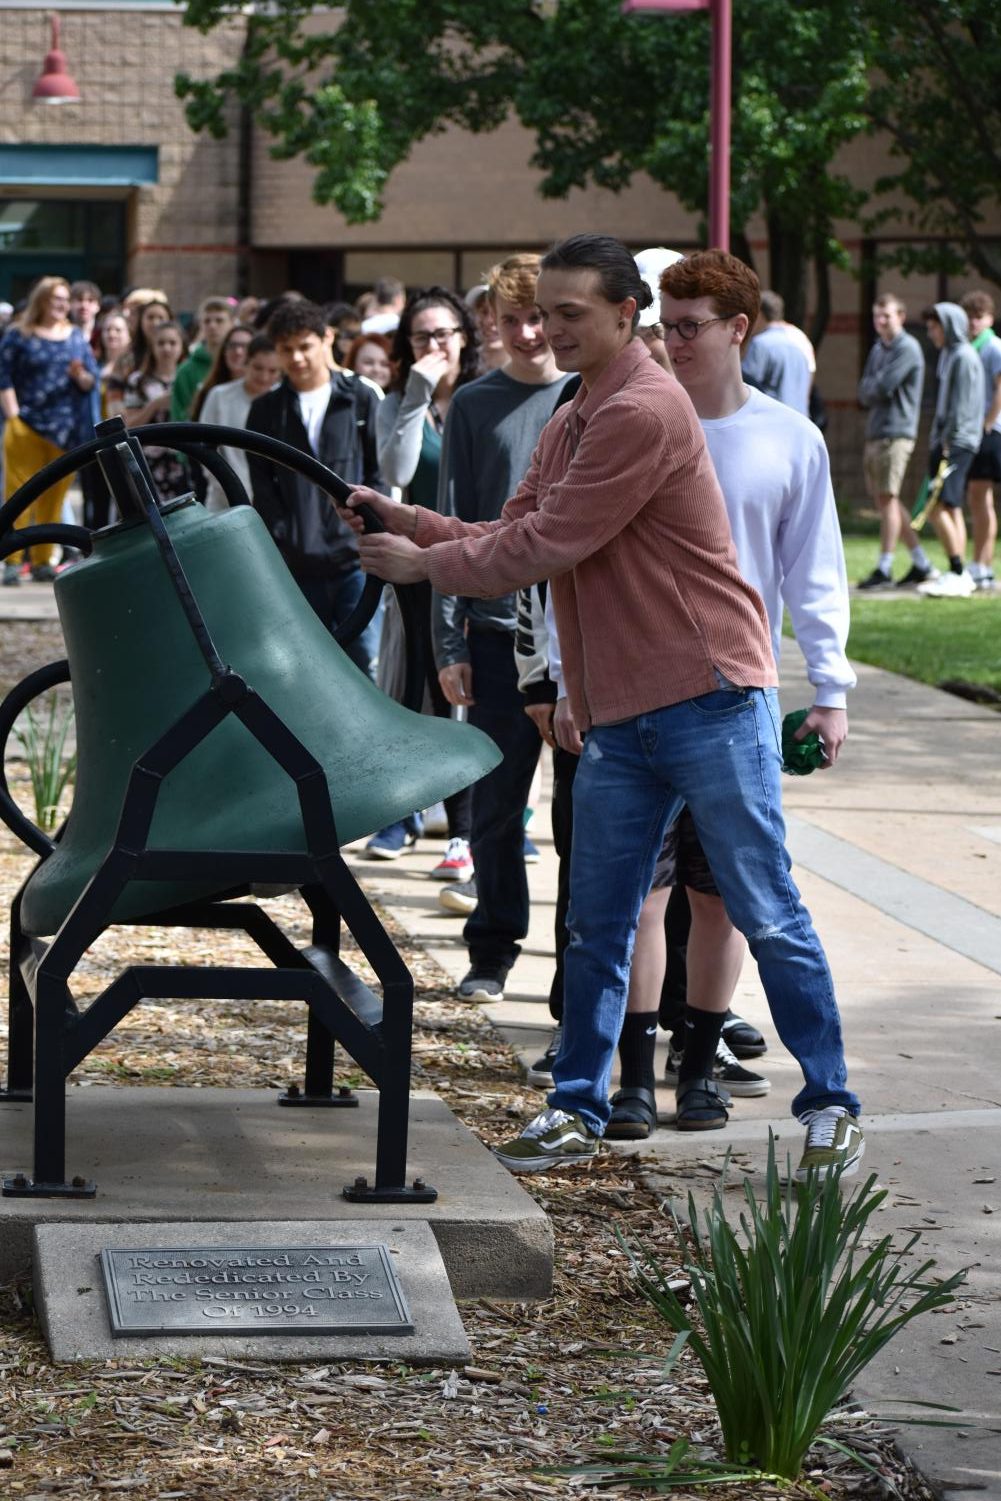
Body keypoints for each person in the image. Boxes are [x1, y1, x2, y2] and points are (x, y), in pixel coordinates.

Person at [341, 233, 864, 1185]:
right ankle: (575, 1106)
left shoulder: (643, 410)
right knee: (599, 920)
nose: (547, 329)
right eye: (542, 310)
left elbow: (546, 545)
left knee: (762, 906)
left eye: (570, 313)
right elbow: (513, 527)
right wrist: (411, 518)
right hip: (621, 712)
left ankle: (829, 1099)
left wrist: (424, 566)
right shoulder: (578, 410)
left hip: (710, 697)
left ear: (631, 316)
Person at [601, 249, 856, 1140]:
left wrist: (830, 689)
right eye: (657, 326)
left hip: (732, 699)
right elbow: (564, 550)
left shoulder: (789, 438)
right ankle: (629, 1074)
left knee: (729, 896)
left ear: (738, 328)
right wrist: (559, 673)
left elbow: (813, 572)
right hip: (629, 691)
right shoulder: (624, 420)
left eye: (687, 326)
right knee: (636, 893)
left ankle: (698, 1064)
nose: (668, 344)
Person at [430, 253, 575, 1000]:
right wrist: (447, 638)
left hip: (575, 638)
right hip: (490, 636)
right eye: (510, 318)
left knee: (580, 816)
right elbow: (449, 523)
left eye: (538, 317)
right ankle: (491, 945)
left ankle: (572, 973)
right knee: (494, 806)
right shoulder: (474, 405)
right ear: (490, 323)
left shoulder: (587, 398)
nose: (526, 332)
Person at [365, 287, 480, 868]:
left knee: (457, 694)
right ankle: (399, 815)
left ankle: (464, 829)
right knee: (409, 691)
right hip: (414, 567)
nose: (435, 345)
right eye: (422, 337)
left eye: (444, 334)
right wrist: (415, 392)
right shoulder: (396, 403)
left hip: (477, 562)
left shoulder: (483, 399)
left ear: (464, 338)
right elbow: (398, 470)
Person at [245, 298, 386, 678]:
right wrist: (283, 536)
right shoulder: (266, 410)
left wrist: (369, 531)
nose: (297, 358)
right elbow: (262, 488)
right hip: (295, 567)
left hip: (356, 563)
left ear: (327, 339)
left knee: (365, 669)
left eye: (305, 346)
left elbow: (379, 473)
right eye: (286, 349)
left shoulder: (361, 397)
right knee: (308, 676)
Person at [0, 275, 99, 584]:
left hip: (65, 431)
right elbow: (3, 376)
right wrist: (13, 415)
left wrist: (81, 375)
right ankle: (12, 559)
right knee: (18, 493)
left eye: (64, 300)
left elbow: (90, 383)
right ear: (41, 300)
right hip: (26, 427)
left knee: (54, 499)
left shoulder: (75, 338)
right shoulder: (19, 334)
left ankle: (44, 560)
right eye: (56, 299)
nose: (62, 305)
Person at [856, 294, 932, 590]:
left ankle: (884, 568)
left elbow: (883, 388)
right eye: (877, 316)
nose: (880, 321)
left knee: (887, 499)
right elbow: (864, 391)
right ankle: (921, 562)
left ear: (901, 316)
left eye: (886, 315)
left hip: (896, 432)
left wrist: (874, 386)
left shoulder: (908, 348)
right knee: (886, 499)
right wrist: (874, 387)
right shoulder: (878, 349)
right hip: (877, 431)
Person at [915, 302, 986, 598]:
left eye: (935, 327)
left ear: (950, 326)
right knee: (951, 505)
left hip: (956, 442)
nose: (932, 333)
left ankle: (958, 571)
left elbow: (961, 406)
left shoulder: (962, 357)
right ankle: (961, 573)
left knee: (937, 507)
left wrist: (947, 442)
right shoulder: (952, 355)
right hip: (953, 440)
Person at [198, 334, 280, 510]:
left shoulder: (284, 403)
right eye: (258, 368)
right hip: (223, 501)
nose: (264, 377)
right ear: (246, 362)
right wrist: (231, 489)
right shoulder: (219, 396)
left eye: (273, 371)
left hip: (272, 504)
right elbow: (202, 448)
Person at [120, 319, 190, 503]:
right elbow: (129, 425)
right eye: (161, 343)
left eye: (172, 343)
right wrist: (155, 405)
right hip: (149, 461)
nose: (167, 348)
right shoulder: (138, 381)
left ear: (182, 346)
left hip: (185, 459)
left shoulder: (187, 379)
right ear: (153, 347)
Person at [960, 290, 1001, 591]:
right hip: (975, 430)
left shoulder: (993, 347)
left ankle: (982, 565)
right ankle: (981, 564)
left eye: (979, 316)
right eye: (969, 317)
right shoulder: (970, 347)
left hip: (990, 431)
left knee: (981, 497)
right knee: (978, 499)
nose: (974, 322)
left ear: (989, 318)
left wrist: (988, 423)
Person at [741, 290, 811, 416]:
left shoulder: (760, 344)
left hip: (772, 421)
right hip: (800, 420)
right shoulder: (798, 344)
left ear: (760, 314)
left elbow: (744, 386)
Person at [170, 297, 235, 421]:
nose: (212, 326)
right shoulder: (186, 370)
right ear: (200, 324)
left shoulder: (239, 365)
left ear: (232, 323)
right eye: (207, 321)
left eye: (219, 320)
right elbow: (178, 416)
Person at [190, 325, 254, 420]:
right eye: (233, 345)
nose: (238, 351)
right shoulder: (213, 393)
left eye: (245, 346)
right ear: (224, 351)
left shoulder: (268, 393)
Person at [465, 284, 508, 374]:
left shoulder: (528, 365)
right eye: (484, 312)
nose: (489, 321)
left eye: (498, 312)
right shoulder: (465, 363)